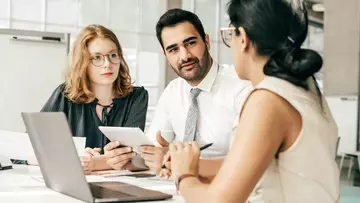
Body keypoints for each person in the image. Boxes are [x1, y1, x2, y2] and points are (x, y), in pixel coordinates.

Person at [163, 0, 340, 202]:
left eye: (231, 35)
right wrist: (189, 163)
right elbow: (255, 166)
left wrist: (183, 176)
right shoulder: (305, 87)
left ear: (243, 38)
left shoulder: (267, 100)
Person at [104, 8, 251, 178]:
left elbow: (246, 164)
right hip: (178, 189)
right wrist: (127, 159)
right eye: (173, 49)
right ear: (166, 55)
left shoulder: (241, 87)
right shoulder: (173, 91)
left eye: (190, 43)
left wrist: (176, 163)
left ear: (207, 42)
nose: (184, 56)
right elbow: (152, 150)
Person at [41, 24, 148, 174]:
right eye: (97, 58)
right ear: (83, 63)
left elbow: (131, 157)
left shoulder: (136, 97)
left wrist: (92, 163)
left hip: (119, 186)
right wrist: (75, 159)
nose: (107, 64)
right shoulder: (65, 94)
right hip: (73, 182)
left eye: (113, 55)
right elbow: (32, 147)